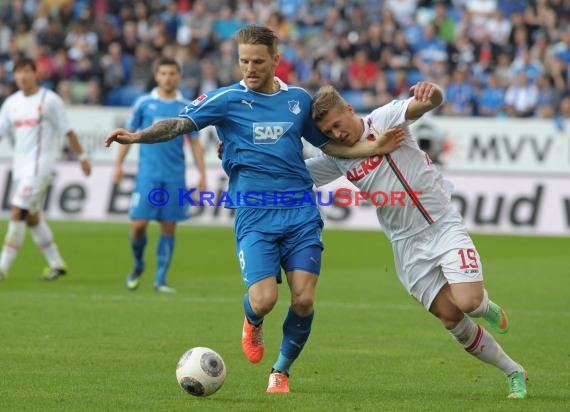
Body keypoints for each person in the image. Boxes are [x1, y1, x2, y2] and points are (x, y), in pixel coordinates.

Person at [105, 26, 402, 393]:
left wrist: (373, 148)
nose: (249, 67)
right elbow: (181, 123)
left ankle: (281, 371)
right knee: (264, 301)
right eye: (243, 60)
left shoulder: (297, 100)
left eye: (258, 61)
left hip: (299, 210)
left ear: (276, 60)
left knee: (304, 299)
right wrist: (138, 136)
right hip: (255, 216)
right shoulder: (226, 99)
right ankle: (252, 321)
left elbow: (331, 147)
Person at [305, 82, 528, 399]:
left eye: (337, 125)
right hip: (406, 246)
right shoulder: (338, 158)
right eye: (328, 131)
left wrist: (432, 91)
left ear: (350, 110)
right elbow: (295, 172)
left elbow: (429, 102)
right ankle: (513, 371)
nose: (336, 134)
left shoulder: (384, 118)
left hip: (442, 225)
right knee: (451, 318)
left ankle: (483, 304)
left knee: (468, 303)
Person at [113, 57, 206, 294]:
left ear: (179, 76)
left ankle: (160, 280)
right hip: (148, 175)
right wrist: (118, 165)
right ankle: (138, 265)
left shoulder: (186, 106)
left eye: (172, 73)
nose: (167, 77)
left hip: (174, 175)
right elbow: (129, 134)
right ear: (156, 76)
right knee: (139, 226)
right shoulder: (144, 103)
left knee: (168, 227)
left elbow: (195, 144)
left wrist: (202, 174)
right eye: (163, 73)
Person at [0, 57, 91, 281]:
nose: (22, 76)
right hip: (20, 168)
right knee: (31, 217)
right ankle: (56, 263)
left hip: (41, 167)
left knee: (17, 210)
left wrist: (82, 156)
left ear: (35, 73)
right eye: (18, 72)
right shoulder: (11, 103)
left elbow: (68, 131)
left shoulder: (49, 100)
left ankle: (2, 268)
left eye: (26, 71)